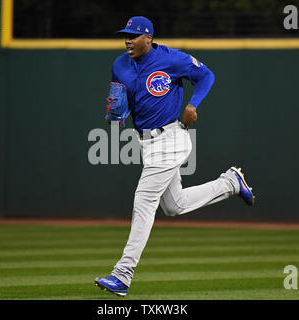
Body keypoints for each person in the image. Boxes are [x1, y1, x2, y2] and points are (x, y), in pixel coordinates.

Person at [95, 16, 255, 297]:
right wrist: (117, 114)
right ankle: (230, 183)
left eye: (133, 35)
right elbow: (119, 103)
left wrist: (193, 103)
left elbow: (206, 75)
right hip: (147, 143)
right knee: (174, 205)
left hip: (171, 138)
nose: (128, 40)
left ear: (149, 38)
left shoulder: (171, 59)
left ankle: (122, 274)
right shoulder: (119, 64)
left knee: (144, 202)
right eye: (125, 35)